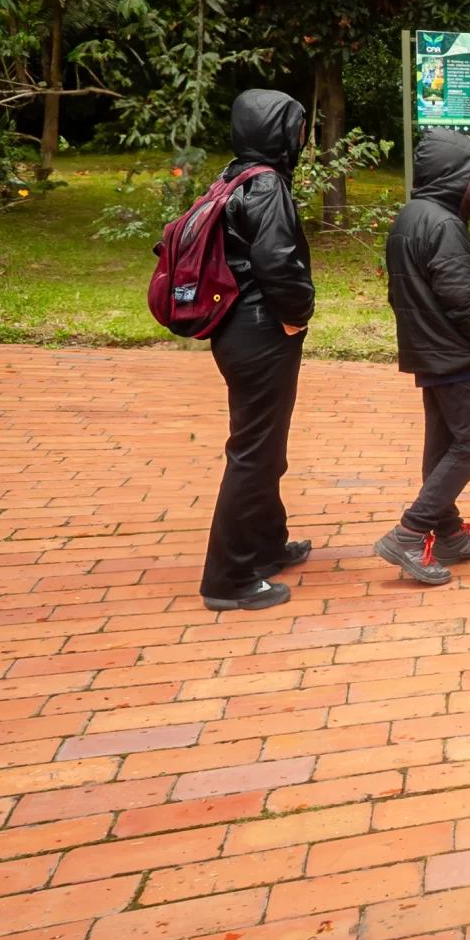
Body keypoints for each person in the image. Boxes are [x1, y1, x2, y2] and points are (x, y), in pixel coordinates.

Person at [199, 89, 316, 612]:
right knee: (252, 454)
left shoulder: (231, 176)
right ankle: (228, 578)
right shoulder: (266, 184)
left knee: (264, 447)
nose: (301, 138)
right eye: (297, 128)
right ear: (278, 131)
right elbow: (279, 264)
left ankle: (267, 545)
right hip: (260, 330)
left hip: (234, 329)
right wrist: (299, 314)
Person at [378, 130, 470, 585]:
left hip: (428, 351)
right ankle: (411, 532)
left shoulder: (411, 216)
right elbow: (466, 298)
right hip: (453, 354)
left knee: (442, 445)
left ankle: (449, 532)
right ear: (456, 175)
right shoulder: (443, 224)